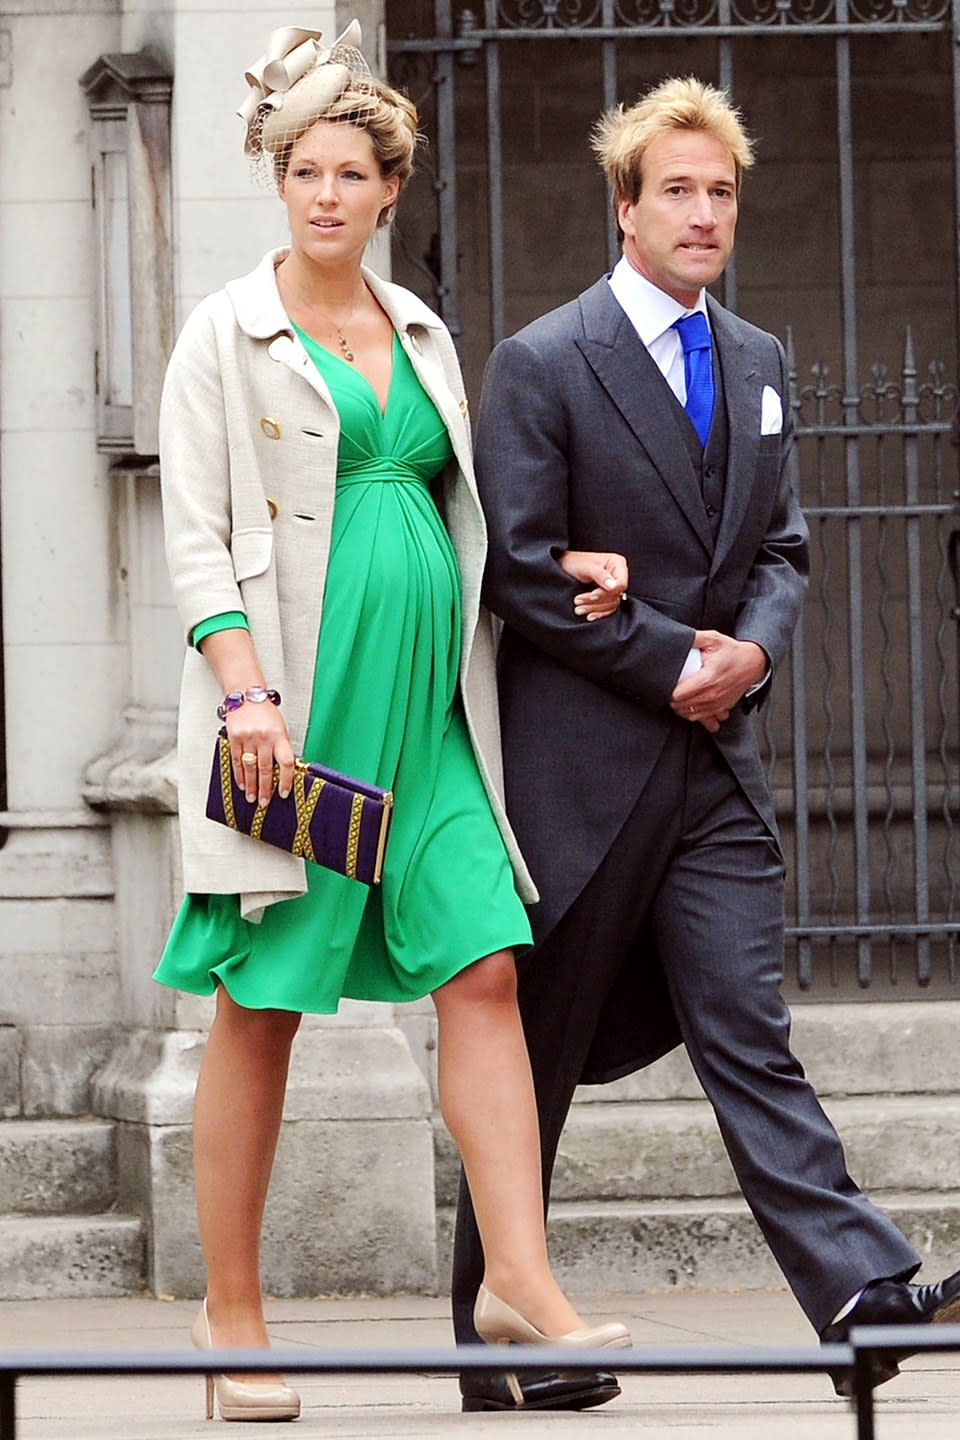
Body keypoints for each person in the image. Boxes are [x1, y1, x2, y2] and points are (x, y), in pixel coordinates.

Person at [451, 74, 960, 1413]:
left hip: (717, 761)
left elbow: (784, 548)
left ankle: (856, 1286)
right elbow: (517, 568)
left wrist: (756, 652)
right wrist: (673, 655)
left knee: (749, 1024)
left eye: (719, 191)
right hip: (583, 769)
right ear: (624, 209)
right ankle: (492, 1333)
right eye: (674, 189)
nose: (700, 211)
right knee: (541, 1050)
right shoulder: (544, 361)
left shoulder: (760, 359)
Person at [154, 20, 629, 1424]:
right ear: (281, 181)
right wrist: (246, 697)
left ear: (386, 190)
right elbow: (196, 545)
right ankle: (232, 1319)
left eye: (351, 173)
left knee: (484, 969)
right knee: (262, 1009)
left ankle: (519, 1283)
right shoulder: (223, 336)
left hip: (428, 723)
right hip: (297, 728)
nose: (326, 194)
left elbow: (463, 515)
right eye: (306, 170)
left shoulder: (419, 329)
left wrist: (564, 569)